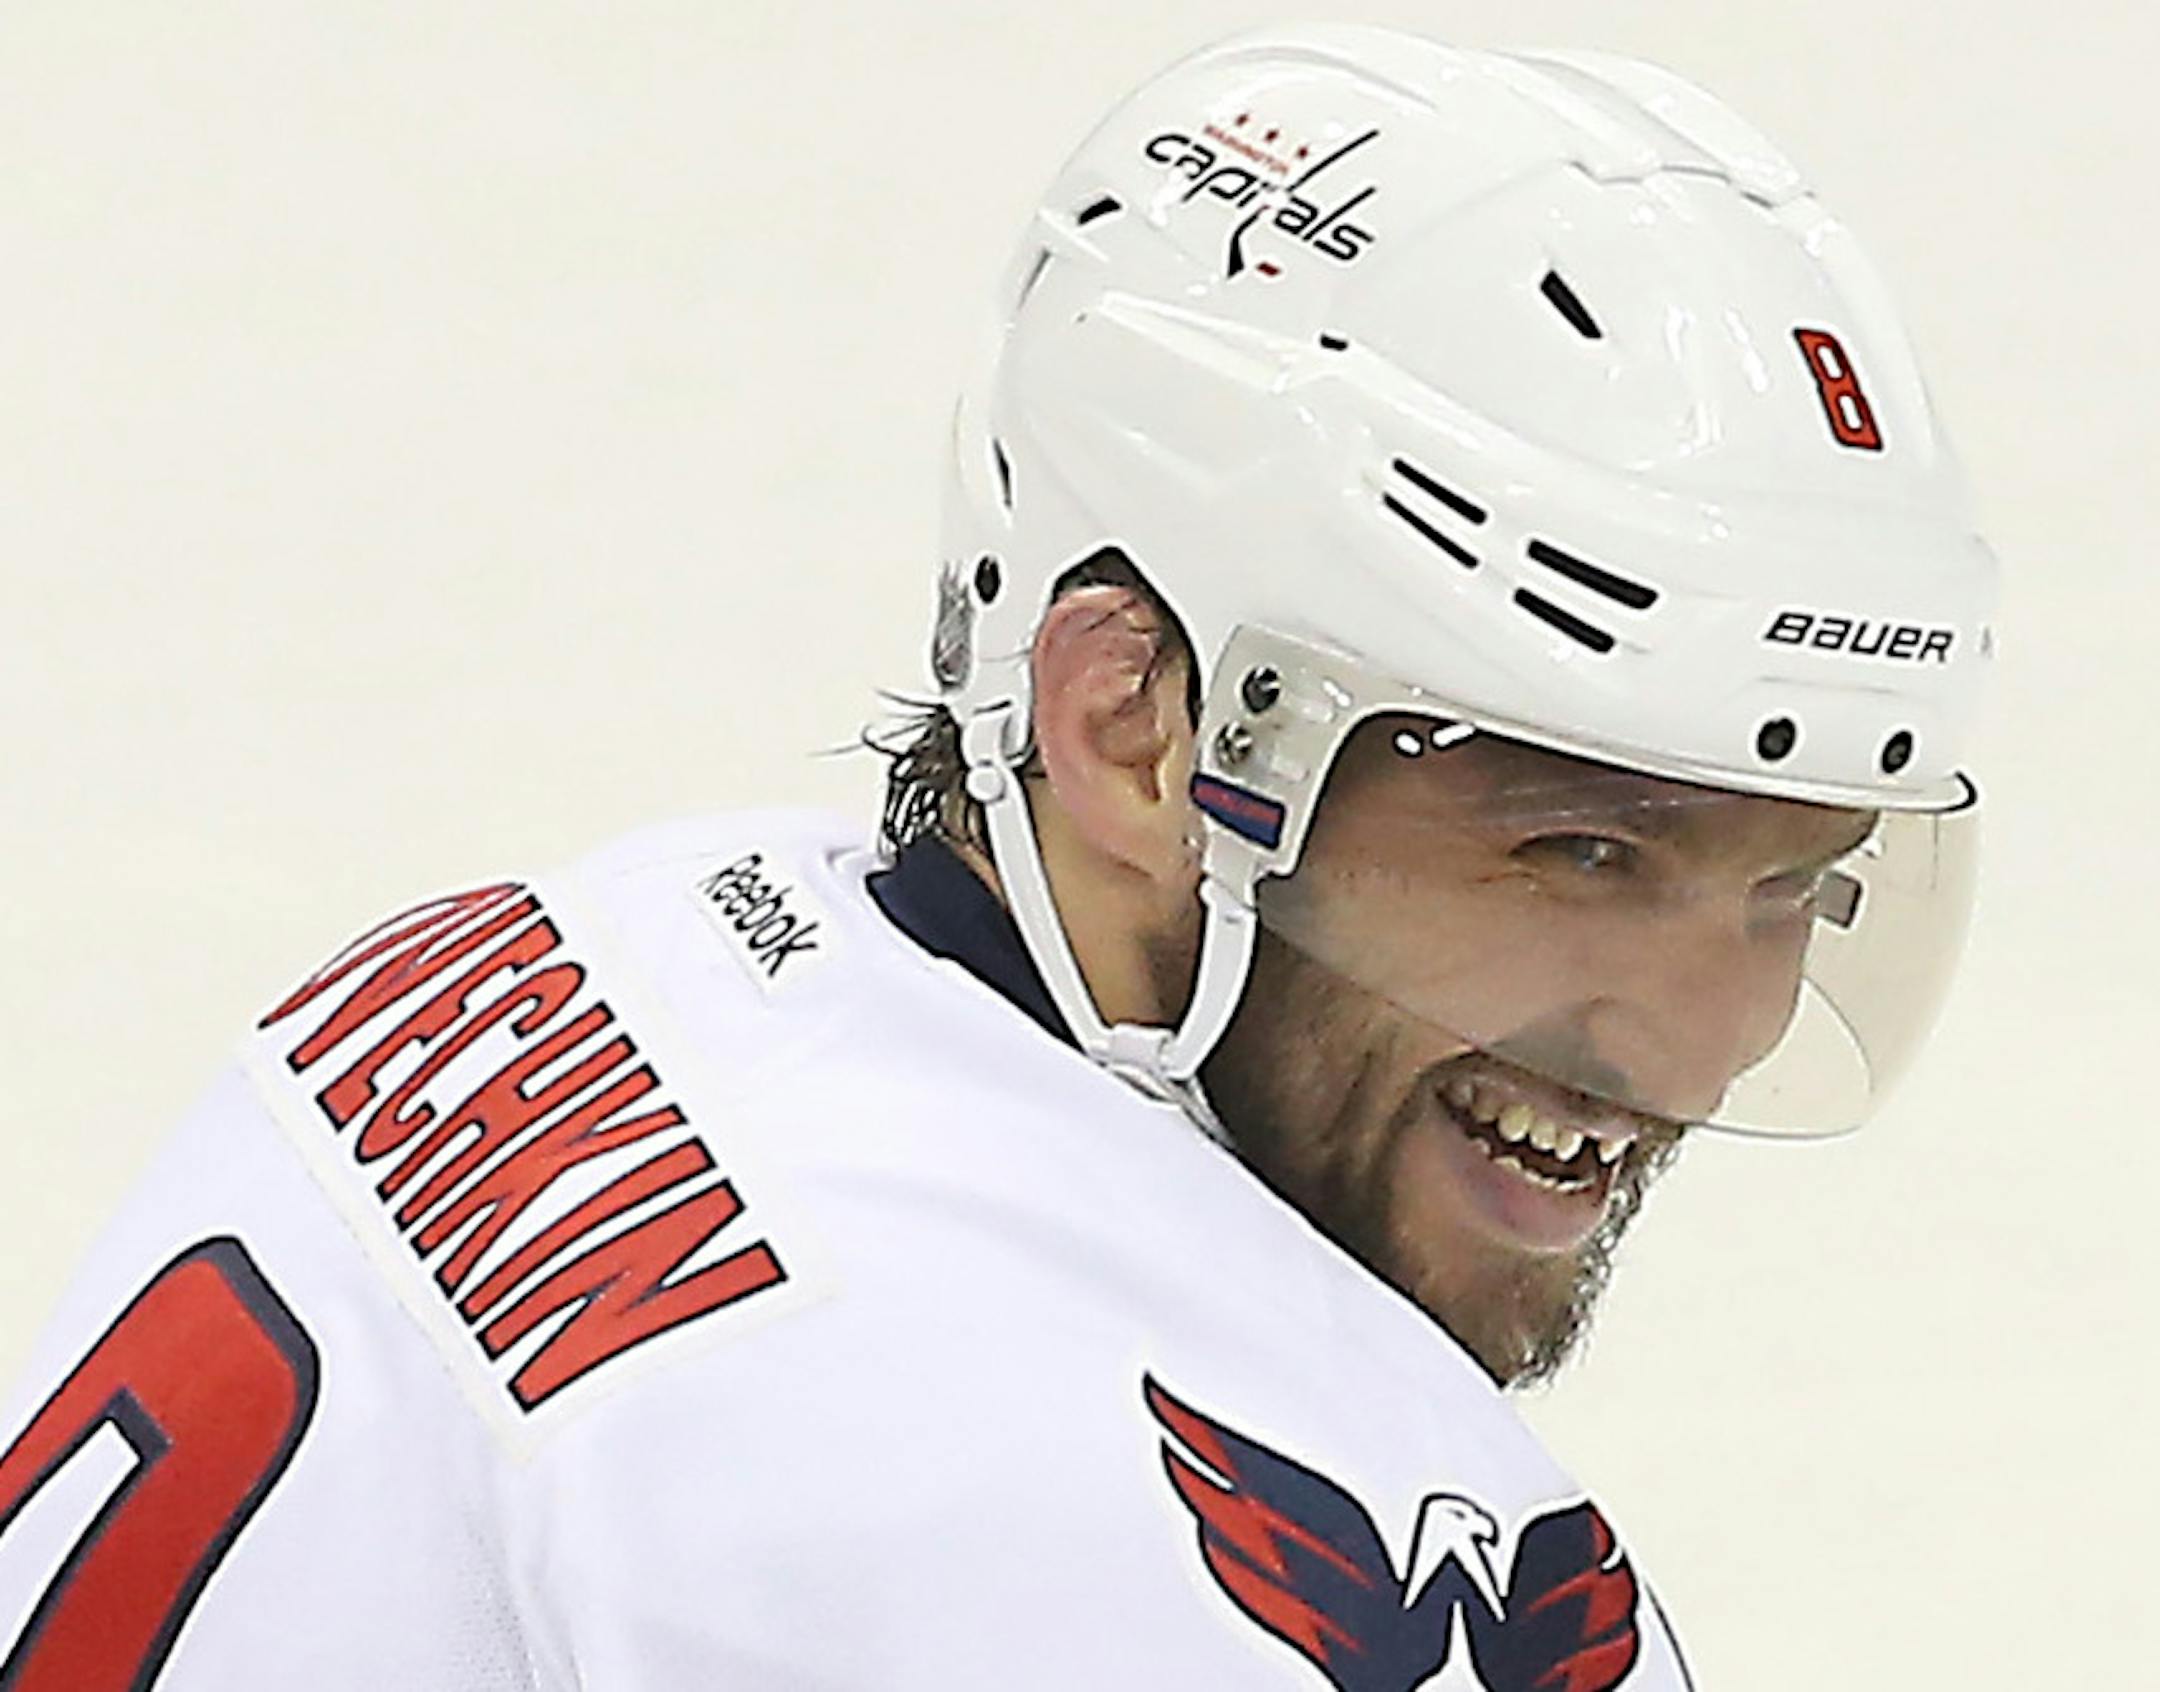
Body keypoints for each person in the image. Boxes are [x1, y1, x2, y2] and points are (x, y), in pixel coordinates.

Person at [0, 24, 1996, 1692]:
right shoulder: (1235, 1551)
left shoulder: (540, 948)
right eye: (1576, 851)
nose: (1708, 1038)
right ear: (1130, 725)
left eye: (1798, 886)